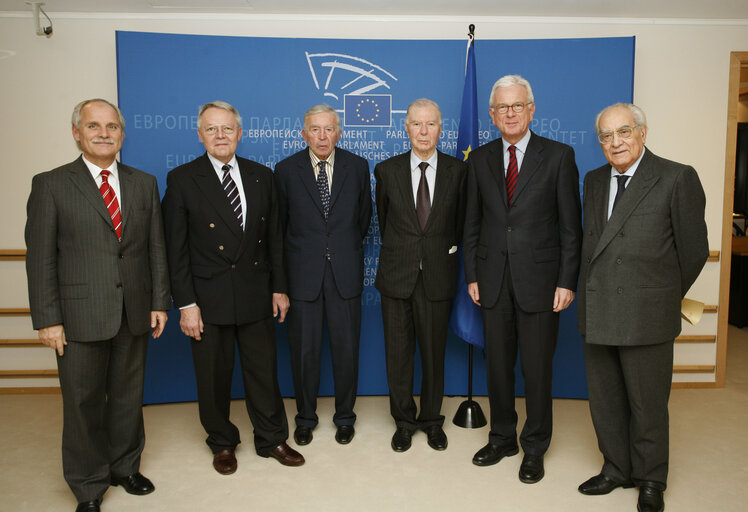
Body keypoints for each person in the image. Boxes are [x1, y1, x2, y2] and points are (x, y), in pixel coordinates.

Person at [25, 99, 170, 512]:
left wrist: (159, 300)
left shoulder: (143, 183)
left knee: (128, 397)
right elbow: (40, 258)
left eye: (112, 126)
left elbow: (154, 248)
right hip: (77, 316)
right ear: (77, 133)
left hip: (134, 310)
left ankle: (125, 467)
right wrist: (48, 319)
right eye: (94, 126)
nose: (104, 133)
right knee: (83, 403)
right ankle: (88, 486)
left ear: (122, 134)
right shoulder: (50, 184)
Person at [577, 103, 708, 512]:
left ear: (643, 132)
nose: (615, 142)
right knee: (605, 401)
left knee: (647, 405)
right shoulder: (594, 180)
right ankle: (616, 468)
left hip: (647, 314)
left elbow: (694, 251)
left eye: (624, 132)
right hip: (598, 310)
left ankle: (651, 478)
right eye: (606, 136)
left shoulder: (676, 177)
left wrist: (658, 294)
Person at [161, 100, 304, 476]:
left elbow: (274, 237)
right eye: (212, 129)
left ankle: (271, 438)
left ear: (240, 133)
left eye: (227, 129)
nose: (220, 135)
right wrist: (186, 304)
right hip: (207, 299)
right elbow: (174, 250)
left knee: (263, 372)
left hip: (256, 291)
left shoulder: (262, 176)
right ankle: (222, 442)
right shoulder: (182, 179)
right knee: (213, 377)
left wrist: (279, 288)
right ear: (200, 135)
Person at [463, 75, 582, 483]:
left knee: (536, 370)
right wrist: (473, 275)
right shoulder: (478, 160)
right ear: (492, 115)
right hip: (492, 280)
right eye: (501, 108)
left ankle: (534, 446)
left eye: (517, 106)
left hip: (542, 283)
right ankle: (501, 438)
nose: (509, 114)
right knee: (497, 367)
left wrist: (567, 281)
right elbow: (472, 224)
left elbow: (571, 227)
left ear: (531, 109)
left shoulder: (559, 156)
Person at [274, 104, 371, 446]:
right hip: (303, 277)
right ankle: (305, 418)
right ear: (304, 134)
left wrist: (338, 250)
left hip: (344, 273)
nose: (322, 136)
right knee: (304, 354)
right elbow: (280, 228)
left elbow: (362, 220)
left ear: (339, 132)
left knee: (347, 352)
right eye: (315, 129)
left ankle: (345, 417)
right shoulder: (285, 170)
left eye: (329, 128)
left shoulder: (358, 167)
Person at [374, 99, 466, 452]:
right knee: (397, 355)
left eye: (431, 124)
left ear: (440, 129)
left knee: (433, 354)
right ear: (406, 128)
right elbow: (386, 223)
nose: (424, 131)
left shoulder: (459, 172)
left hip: (437, 278)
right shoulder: (386, 170)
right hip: (397, 276)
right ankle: (403, 421)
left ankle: (431, 420)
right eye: (417, 124)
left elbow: (459, 225)